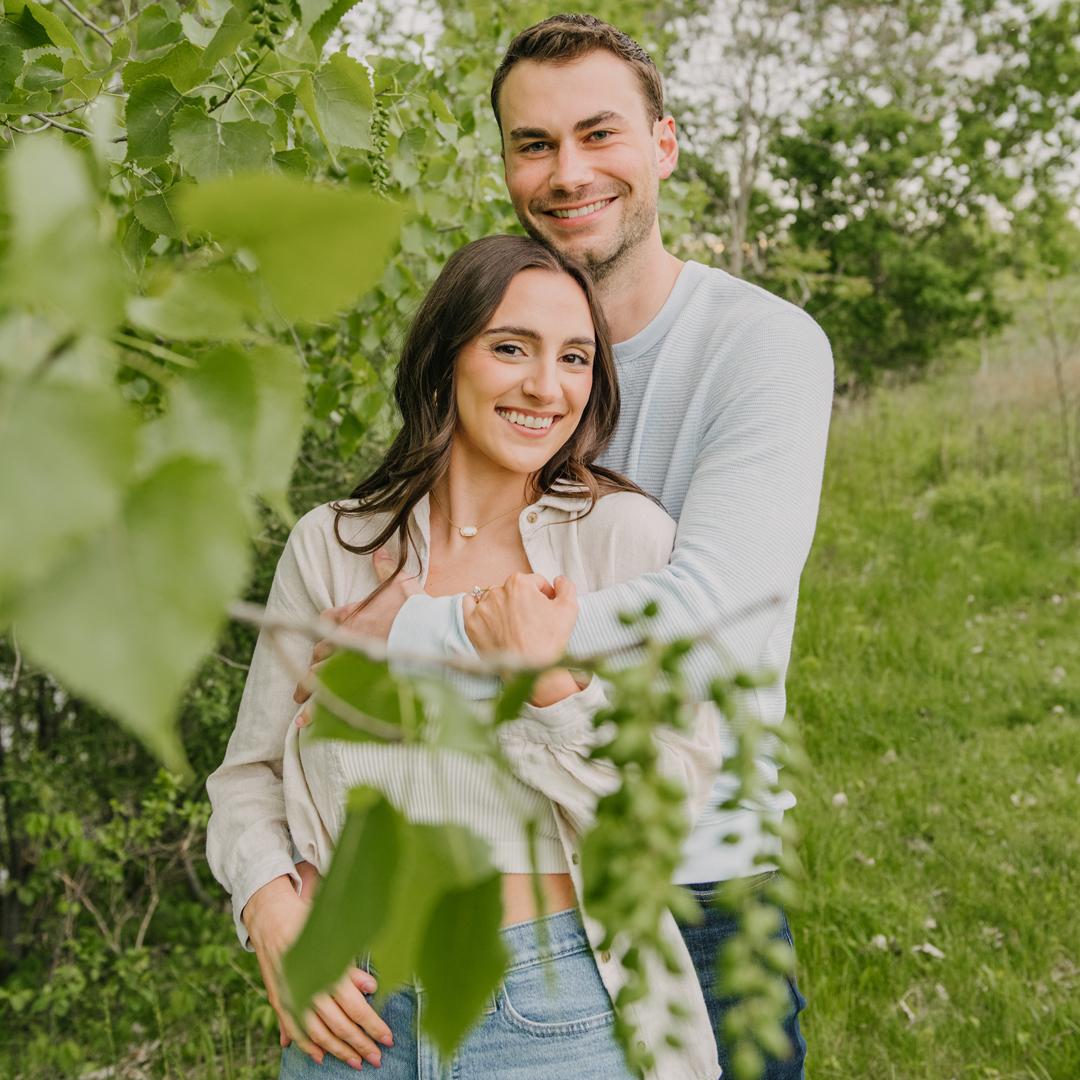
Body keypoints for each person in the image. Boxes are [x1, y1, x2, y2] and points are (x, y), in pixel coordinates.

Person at [293, 15, 834, 1078]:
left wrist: (412, 633)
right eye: (534, 144)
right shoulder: (499, 341)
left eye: (599, 134)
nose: (568, 172)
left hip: (687, 874)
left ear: (664, 143)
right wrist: (275, 897)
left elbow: (715, 611)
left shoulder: (762, 346)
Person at [206, 235, 725, 1080]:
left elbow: (665, 812)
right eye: (511, 348)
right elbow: (248, 772)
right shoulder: (333, 546)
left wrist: (545, 684)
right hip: (349, 1009)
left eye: (575, 358)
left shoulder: (622, 542)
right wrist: (267, 903)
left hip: (553, 1008)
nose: (546, 387)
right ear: (445, 356)